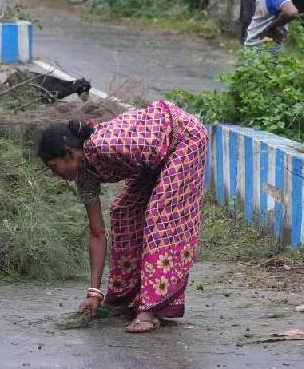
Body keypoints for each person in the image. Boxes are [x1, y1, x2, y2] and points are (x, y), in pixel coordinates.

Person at [37, 100, 208, 334]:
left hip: (183, 138)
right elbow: (97, 232)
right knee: (123, 213)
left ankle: (152, 308)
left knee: (161, 218)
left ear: (69, 155)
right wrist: (94, 292)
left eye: (53, 167)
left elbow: (154, 142)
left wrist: (158, 197)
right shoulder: (85, 178)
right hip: (153, 158)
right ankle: (126, 297)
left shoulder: (103, 146)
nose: (55, 174)